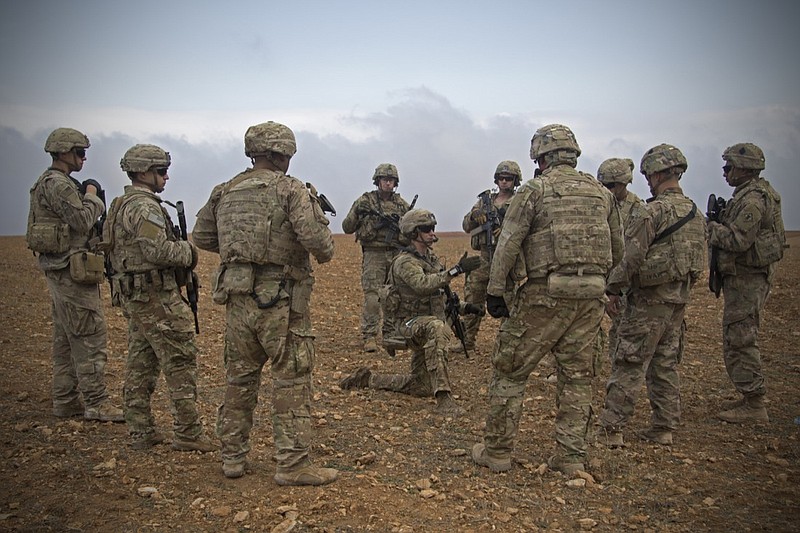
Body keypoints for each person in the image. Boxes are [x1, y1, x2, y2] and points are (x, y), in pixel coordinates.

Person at [471, 124, 622, 475]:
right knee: (578, 378)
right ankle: (571, 459)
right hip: (590, 297)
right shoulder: (602, 193)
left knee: (510, 370)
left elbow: (508, 243)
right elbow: (618, 250)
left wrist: (495, 290)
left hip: (545, 294)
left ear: (540, 157)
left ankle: (497, 452)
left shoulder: (534, 191)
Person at [193, 121, 338, 485]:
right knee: (290, 379)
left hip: (238, 301)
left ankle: (233, 459)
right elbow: (318, 243)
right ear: (282, 155)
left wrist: (239, 254)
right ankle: (292, 465)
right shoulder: (289, 189)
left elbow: (202, 236)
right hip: (281, 301)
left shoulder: (223, 191)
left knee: (239, 379)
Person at [103, 144, 216, 452]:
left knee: (142, 360)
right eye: (161, 171)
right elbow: (159, 250)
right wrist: (189, 252)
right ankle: (188, 431)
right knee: (179, 360)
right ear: (143, 172)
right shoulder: (143, 207)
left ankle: (141, 430)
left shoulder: (121, 204)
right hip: (155, 298)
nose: (166, 177)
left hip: (137, 295)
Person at [598, 144, 706, 448]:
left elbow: (631, 257)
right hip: (678, 300)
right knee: (665, 363)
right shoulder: (694, 212)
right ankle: (664, 427)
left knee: (629, 361)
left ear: (658, 173)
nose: (646, 180)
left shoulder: (653, 211)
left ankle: (612, 428)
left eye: (648, 174)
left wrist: (611, 288)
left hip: (649, 302)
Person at [339, 209, 483, 416]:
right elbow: (422, 285)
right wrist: (455, 270)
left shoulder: (431, 259)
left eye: (432, 228)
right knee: (437, 328)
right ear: (413, 232)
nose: (432, 233)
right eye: (426, 229)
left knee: (420, 387)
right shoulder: (404, 262)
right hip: (405, 325)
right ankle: (444, 398)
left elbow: (439, 294)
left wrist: (465, 307)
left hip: (420, 322)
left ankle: (368, 379)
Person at [25, 127, 123, 422]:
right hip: (71, 269)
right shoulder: (59, 185)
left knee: (66, 337)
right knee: (89, 333)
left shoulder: (47, 182)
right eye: (79, 152)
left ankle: (65, 400)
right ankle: (96, 402)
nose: (83, 158)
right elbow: (81, 220)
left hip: (62, 268)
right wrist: (92, 196)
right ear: (64, 152)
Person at [707, 143, 786, 423]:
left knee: (741, 337)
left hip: (748, 279)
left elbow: (739, 240)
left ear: (745, 168)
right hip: (745, 278)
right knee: (739, 335)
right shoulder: (751, 195)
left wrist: (712, 229)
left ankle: (754, 403)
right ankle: (749, 395)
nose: (725, 172)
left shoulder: (752, 200)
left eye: (729, 167)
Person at [451, 160, 521, 354]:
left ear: (515, 181)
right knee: (473, 298)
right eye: (501, 178)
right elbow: (466, 226)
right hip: (483, 257)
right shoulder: (485, 201)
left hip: (505, 259)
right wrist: (475, 215)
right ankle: (467, 340)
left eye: (508, 178)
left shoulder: (518, 202)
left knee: (509, 301)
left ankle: (508, 344)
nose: (504, 182)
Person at [341, 164, 412, 353]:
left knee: (395, 296)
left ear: (395, 183)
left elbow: (412, 230)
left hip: (396, 253)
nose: (388, 183)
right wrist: (358, 212)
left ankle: (392, 334)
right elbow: (347, 227)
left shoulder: (402, 205)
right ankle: (370, 336)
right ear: (377, 181)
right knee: (373, 296)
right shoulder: (365, 201)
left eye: (391, 180)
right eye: (384, 179)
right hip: (374, 253)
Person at [596, 158, 646, 354]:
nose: (605, 189)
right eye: (602, 185)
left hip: (623, 283)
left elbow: (633, 252)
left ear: (623, 183)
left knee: (623, 330)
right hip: (599, 276)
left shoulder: (637, 209)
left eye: (609, 185)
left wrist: (614, 289)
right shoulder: (600, 203)